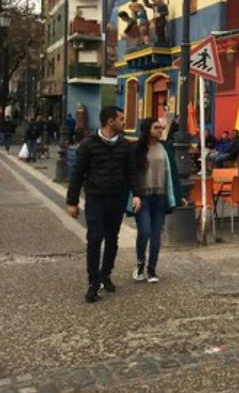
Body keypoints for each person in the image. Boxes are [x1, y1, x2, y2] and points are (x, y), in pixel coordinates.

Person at [66, 106, 142, 303]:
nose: (124, 122)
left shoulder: (125, 145)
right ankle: (93, 282)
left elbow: (132, 172)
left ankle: (105, 273)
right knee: (94, 237)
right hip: (95, 198)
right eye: (121, 119)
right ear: (110, 121)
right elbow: (77, 173)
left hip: (117, 198)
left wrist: (137, 194)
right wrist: (72, 201)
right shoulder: (88, 144)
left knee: (112, 238)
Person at [131, 118, 186, 283]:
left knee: (156, 234)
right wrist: (134, 194)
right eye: (156, 127)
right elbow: (131, 173)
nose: (160, 130)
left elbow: (173, 172)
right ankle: (140, 262)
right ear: (147, 129)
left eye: (161, 128)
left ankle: (152, 269)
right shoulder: (136, 148)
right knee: (145, 231)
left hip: (160, 196)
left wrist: (179, 194)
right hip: (143, 197)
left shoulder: (166, 147)